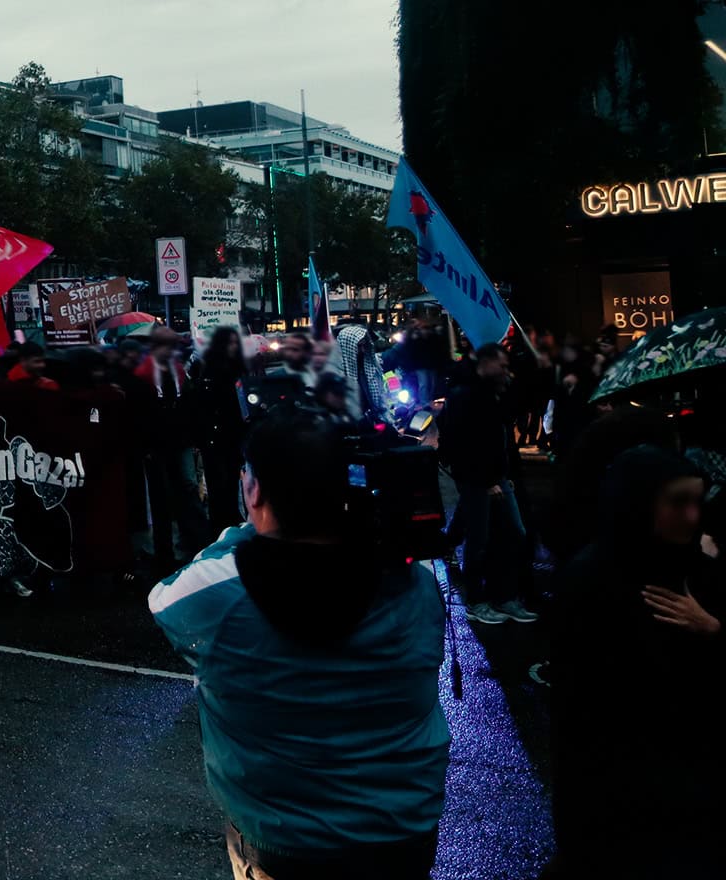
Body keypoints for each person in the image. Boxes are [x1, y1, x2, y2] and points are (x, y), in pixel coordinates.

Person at [150, 409, 449, 880]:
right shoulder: (415, 583)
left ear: (254, 490)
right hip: (405, 837)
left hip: (286, 845)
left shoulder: (215, 595)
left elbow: (161, 599)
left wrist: (250, 527)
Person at [550, 447, 725, 878]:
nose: (692, 517)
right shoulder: (591, 581)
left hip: (692, 790)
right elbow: (579, 710)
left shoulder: (699, 571)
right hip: (616, 795)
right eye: (677, 503)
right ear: (639, 503)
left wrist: (712, 629)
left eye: (697, 502)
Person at [440, 344, 534, 624]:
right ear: (486, 362)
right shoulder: (466, 394)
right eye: (502, 365)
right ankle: (476, 600)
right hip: (477, 478)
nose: (506, 371)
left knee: (512, 533)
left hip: (495, 476)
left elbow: (502, 425)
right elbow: (468, 444)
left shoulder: (491, 391)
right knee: (480, 539)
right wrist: (487, 479)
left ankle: (503, 596)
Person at [133, 325, 211, 568]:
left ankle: (193, 540)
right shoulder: (144, 374)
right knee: (162, 497)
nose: (171, 351)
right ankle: (167, 549)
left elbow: (189, 404)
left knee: (187, 488)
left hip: (179, 441)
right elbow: (140, 414)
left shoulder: (176, 371)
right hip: (157, 445)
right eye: (168, 346)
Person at [194, 328, 251, 531]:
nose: (233, 347)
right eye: (230, 343)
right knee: (218, 482)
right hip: (216, 433)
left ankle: (230, 518)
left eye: (235, 343)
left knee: (232, 480)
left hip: (233, 432)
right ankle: (220, 522)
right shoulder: (209, 370)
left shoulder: (238, 368)